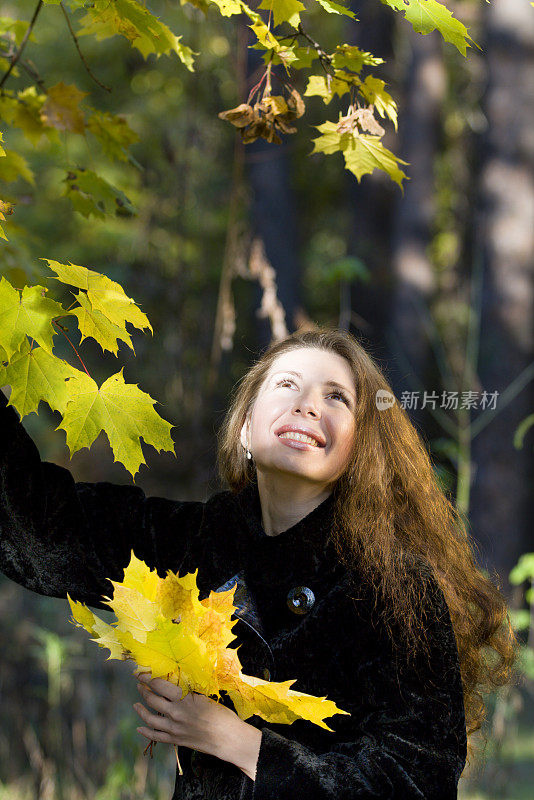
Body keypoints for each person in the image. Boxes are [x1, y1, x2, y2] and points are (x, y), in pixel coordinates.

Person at [0, 326, 518, 799]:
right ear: (245, 427)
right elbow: (36, 526)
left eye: (336, 397)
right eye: (287, 385)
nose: (309, 405)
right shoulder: (190, 541)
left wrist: (243, 745)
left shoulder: (396, 588)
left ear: (361, 448)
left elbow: (418, 780)